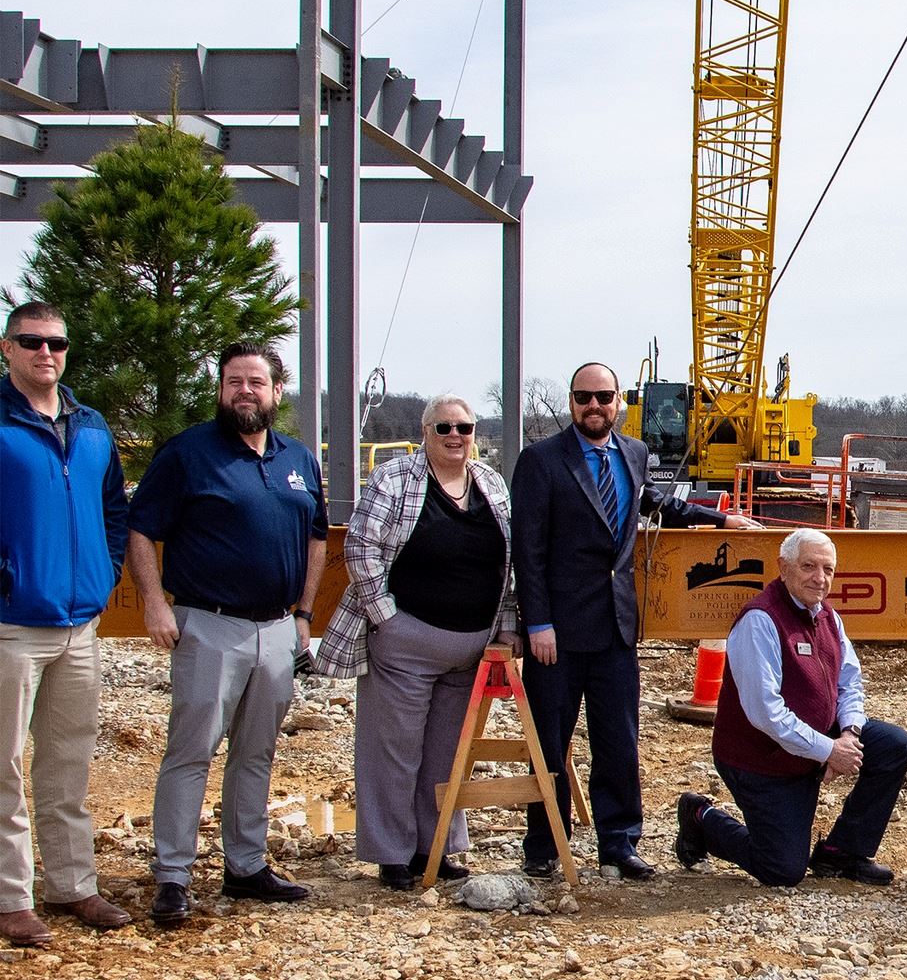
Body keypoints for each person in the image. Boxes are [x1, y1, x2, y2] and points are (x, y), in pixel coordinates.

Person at [512, 363, 761, 879]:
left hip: (616, 626)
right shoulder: (540, 461)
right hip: (557, 632)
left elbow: (657, 502)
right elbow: (528, 551)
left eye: (604, 396)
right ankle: (543, 847)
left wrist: (719, 519)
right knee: (550, 741)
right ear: (572, 401)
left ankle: (619, 844)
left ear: (618, 402)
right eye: (584, 396)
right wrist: (537, 623)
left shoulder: (634, 453)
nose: (594, 405)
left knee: (619, 741)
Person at [128, 343, 330, 926]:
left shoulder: (297, 457)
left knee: (256, 754)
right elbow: (142, 529)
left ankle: (245, 866)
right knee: (191, 752)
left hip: (276, 628)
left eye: (257, 382)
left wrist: (303, 612)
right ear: (220, 389)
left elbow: (317, 535)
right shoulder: (188, 453)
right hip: (208, 623)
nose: (246, 390)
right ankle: (172, 874)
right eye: (234, 381)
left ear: (275, 392)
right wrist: (152, 603)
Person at [317, 396, 520, 890]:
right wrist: (386, 618)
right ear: (426, 430)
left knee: (446, 754)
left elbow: (509, 566)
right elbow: (360, 548)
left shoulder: (491, 484)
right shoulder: (394, 479)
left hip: (471, 646)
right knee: (394, 751)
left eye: (465, 427)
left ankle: (437, 849)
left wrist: (507, 625)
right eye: (445, 426)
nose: (456, 435)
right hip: (405, 642)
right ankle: (392, 854)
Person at [675, 529, 907, 886]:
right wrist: (829, 751)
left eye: (828, 570)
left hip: (814, 746)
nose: (820, 579)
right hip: (762, 759)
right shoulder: (761, 620)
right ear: (783, 567)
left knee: (893, 745)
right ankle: (700, 816)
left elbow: (850, 681)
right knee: (782, 870)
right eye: (808, 566)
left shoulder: (828, 617)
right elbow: (766, 714)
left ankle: (842, 853)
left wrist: (849, 734)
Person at [0, 302, 132, 947]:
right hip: (12, 622)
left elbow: (113, 508)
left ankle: (73, 885)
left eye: (55, 342)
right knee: (4, 767)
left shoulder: (92, 426)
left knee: (67, 763)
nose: (44, 353)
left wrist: (106, 572)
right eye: (31, 342)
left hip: (80, 622)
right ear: (7, 348)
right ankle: (9, 897)